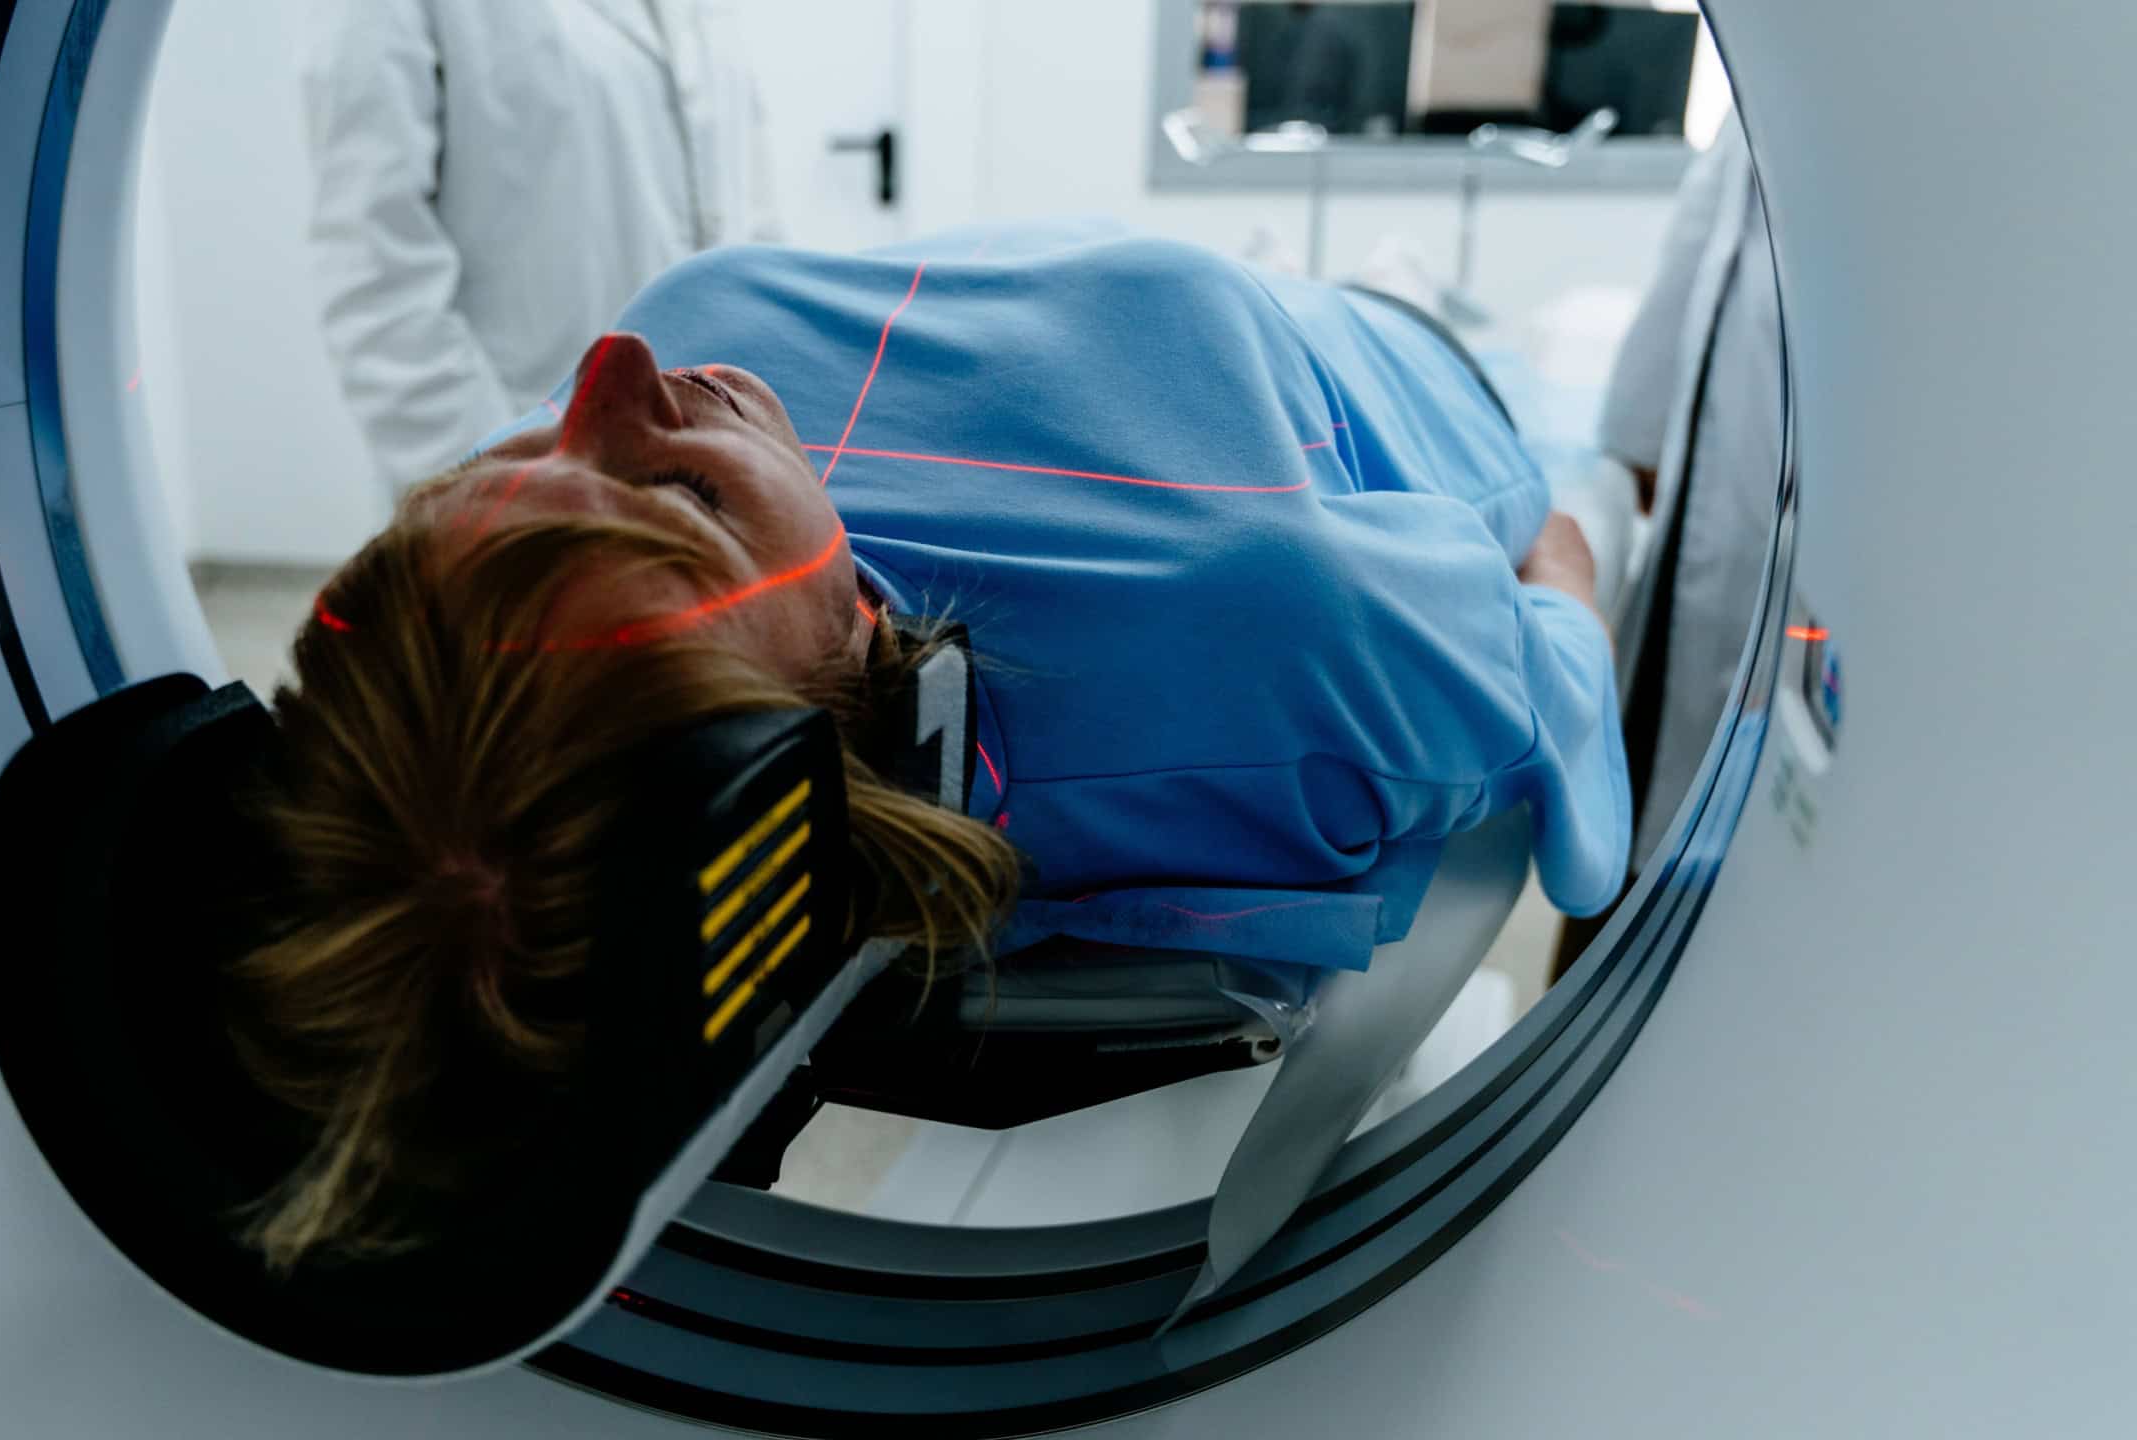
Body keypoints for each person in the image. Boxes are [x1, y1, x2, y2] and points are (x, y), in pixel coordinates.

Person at [228, 220, 1631, 1268]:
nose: (614, 368)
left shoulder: (605, 615)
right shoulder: (1266, 634)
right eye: (674, 495)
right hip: (1413, 371)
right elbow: (1562, 765)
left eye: (505, 472)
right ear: (831, 687)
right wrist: (1569, 578)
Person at [302, 0, 777, 491]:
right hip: (523, 473)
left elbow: (751, 216)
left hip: (717, 466)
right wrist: (491, 481)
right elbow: (374, 266)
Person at [1555, 116, 1784, 975]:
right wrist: (1641, 438)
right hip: (1712, 500)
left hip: (1768, 517)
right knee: (1644, 800)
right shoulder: (1760, 107)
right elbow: (1704, 250)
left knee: (1687, 832)